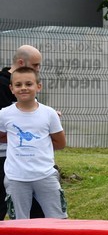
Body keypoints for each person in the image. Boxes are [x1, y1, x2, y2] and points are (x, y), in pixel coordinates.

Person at [0, 66, 66, 218]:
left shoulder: (49, 114)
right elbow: (3, 136)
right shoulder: (4, 114)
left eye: (28, 84)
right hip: (16, 178)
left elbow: (60, 143)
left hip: (45, 175)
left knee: (58, 221)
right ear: (11, 88)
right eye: (18, 85)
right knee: (19, 225)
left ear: (38, 86)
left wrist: (39, 145)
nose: (23, 88)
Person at [1, 45, 45, 219]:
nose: (38, 69)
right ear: (21, 62)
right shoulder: (2, 86)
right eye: (35, 65)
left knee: (37, 208)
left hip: (29, 157)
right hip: (5, 157)